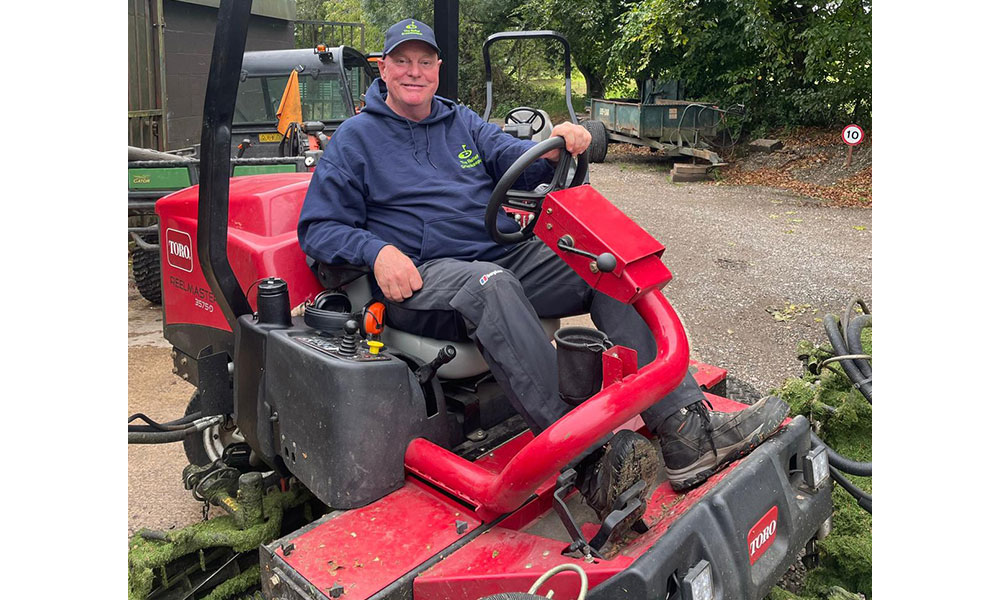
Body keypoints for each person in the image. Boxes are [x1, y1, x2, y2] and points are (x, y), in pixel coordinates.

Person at [298, 19, 788, 534]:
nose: (414, 72)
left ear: (439, 69)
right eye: (403, 61)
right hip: (421, 277)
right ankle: (587, 461)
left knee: (604, 261)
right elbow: (320, 228)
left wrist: (556, 144)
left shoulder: (460, 122)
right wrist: (376, 253)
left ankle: (687, 430)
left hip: (496, 254)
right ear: (384, 68)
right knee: (491, 286)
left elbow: (518, 162)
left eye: (425, 61)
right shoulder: (355, 141)